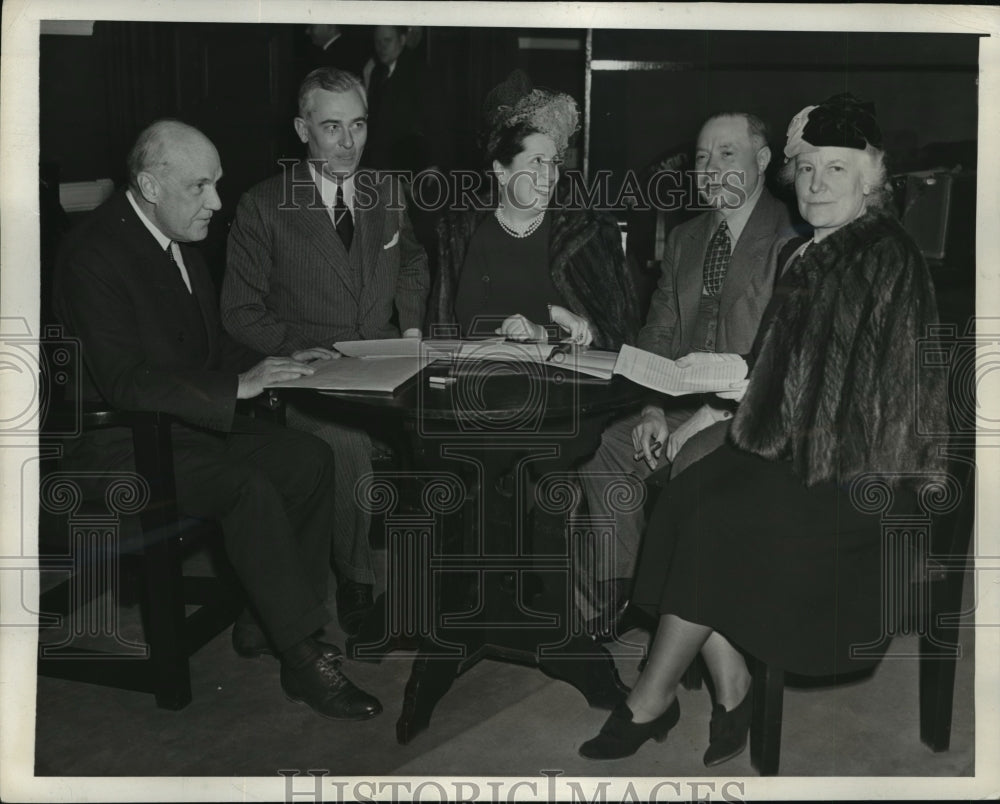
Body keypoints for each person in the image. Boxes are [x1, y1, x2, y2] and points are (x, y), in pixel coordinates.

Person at [577, 93, 947, 764]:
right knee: (687, 493)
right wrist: (721, 390)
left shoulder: (880, 253)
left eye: (836, 170)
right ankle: (728, 680)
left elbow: (846, 386)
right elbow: (784, 363)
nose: (816, 183)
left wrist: (736, 384)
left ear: (870, 177)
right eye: (807, 169)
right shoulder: (809, 253)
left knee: (715, 515)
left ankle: (649, 698)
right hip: (798, 448)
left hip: (856, 473)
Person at [52, 119, 382, 721]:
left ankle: (266, 619)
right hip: (119, 444)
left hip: (177, 425)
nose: (217, 203)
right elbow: (125, 381)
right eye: (200, 187)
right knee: (248, 488)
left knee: (309, 458)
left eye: (218, 184)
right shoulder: (93, 256)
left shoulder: (176, 238)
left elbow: (204, 347)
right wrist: (239, 385)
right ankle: (302, 652)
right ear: (152, 185)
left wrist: (273, 361)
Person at [221, 67, 430, 637]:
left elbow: (410, 261)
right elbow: (239, 310)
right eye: (331, 126)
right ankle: (358, 580)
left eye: (358, 125)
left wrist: (411, 328)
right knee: (345, 440)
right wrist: (299, 350)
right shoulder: (264, 205)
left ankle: (442, 582)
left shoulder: (387, 191)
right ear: (302, 128)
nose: (347, 143)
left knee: (451, 419)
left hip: (388, 359)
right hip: (307, 373)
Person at [576, 112, 793, 631]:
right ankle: (616, 598)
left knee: (695, 464)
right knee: (601, 443)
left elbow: (779, 360)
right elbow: (657, 331)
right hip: (677, 401)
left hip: (749, 410)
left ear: (762, 161)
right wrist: (650, 406)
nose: (712, 168)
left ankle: (691, 619)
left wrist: (708, 413)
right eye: (702, 157)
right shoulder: (685, 239)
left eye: (727, 154)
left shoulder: (791, 236)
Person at [438, 69, 639, 350]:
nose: (551, 174)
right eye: (536, 161)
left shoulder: (585, 233)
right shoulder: (473, 234)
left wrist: (544, 332)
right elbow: (466, 321)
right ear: (501, 171)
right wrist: (551, 314)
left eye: (554, 162)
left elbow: (615, 331)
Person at [361, 25, 433, 172]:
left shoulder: (418, 71)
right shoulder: (377, 72)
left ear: (402, 40)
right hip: (382, 164)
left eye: (387, 40)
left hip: (409, 165)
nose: (381, 47)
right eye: (377, 41)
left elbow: (434, 121)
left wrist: (433, 163)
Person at [302, 24, 370, 76]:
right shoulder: (348, 49)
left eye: (312, 26)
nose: (307, 31)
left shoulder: (338, 57)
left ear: (330, 26)